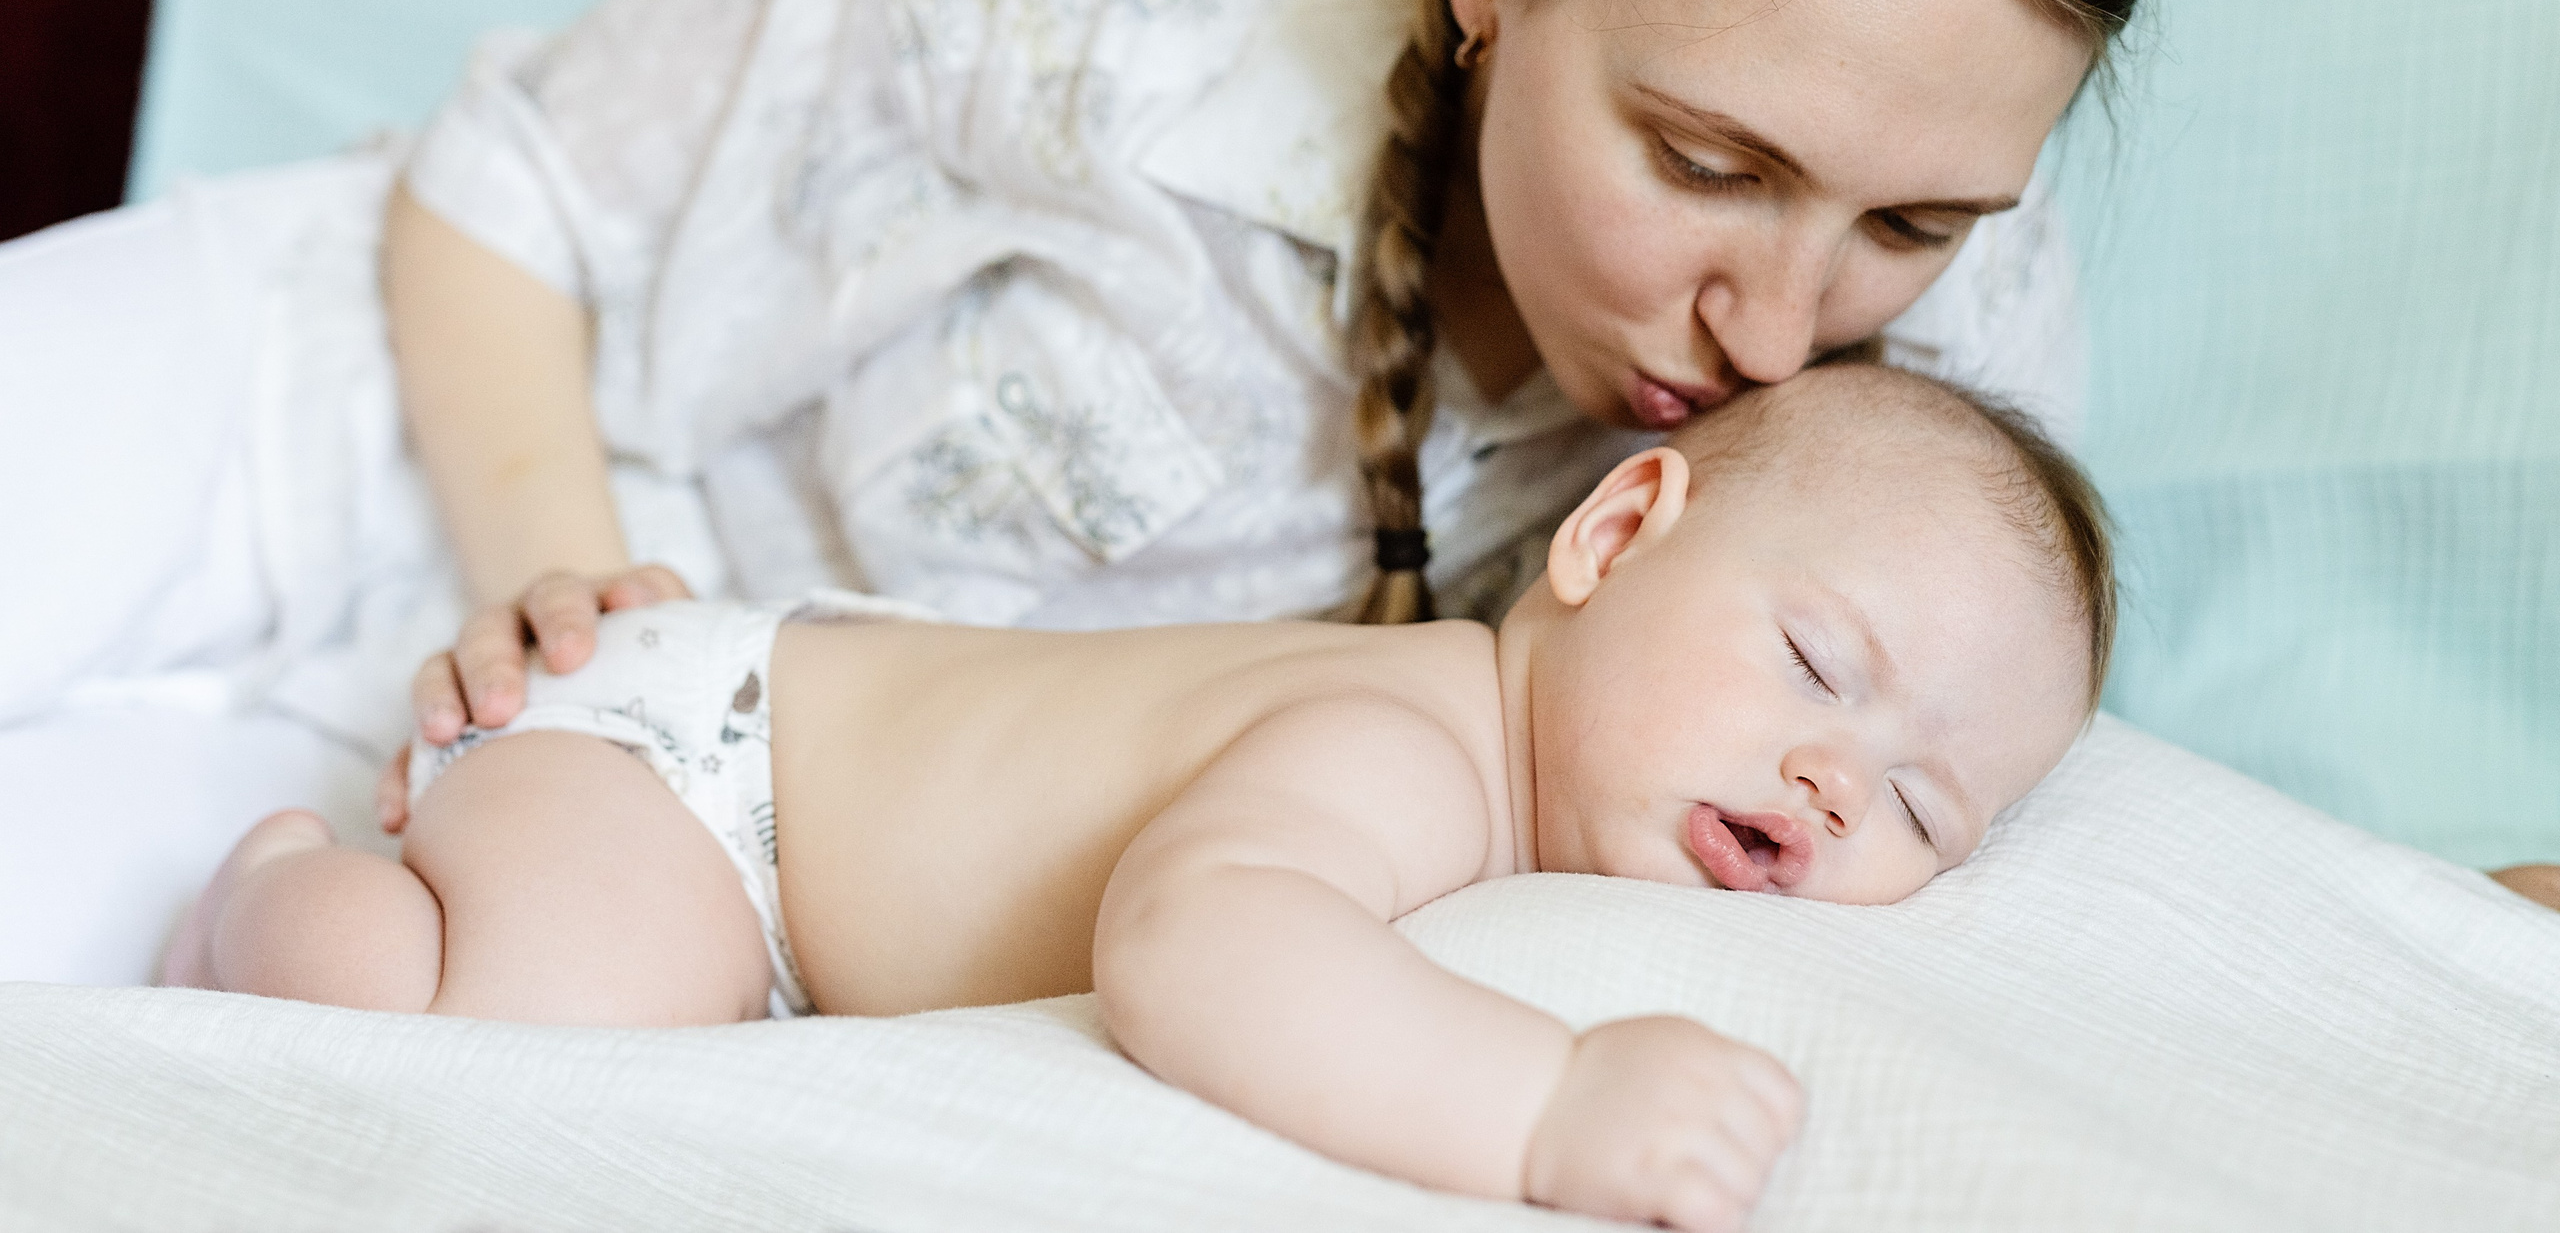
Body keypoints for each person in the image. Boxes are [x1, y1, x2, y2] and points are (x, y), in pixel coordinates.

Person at [0, 0, 2145, 919]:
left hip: (644, 820)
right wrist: (560, 586)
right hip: (387, 404)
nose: (1779, 327)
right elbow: (510, 189)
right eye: (1699, 159)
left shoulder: (1946, 410)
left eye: (1914, 215)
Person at [162, 364, 2116, 1233]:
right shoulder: (1409, 741)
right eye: (1811, 665)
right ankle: (289, 894)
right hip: (704, 778)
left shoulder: (1499, 789)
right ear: (1609, 529)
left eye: (1920, 805)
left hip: (794, 767)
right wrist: (1543, 1098)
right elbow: (1198, 937)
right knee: (547, 1055)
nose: (1829, 775)